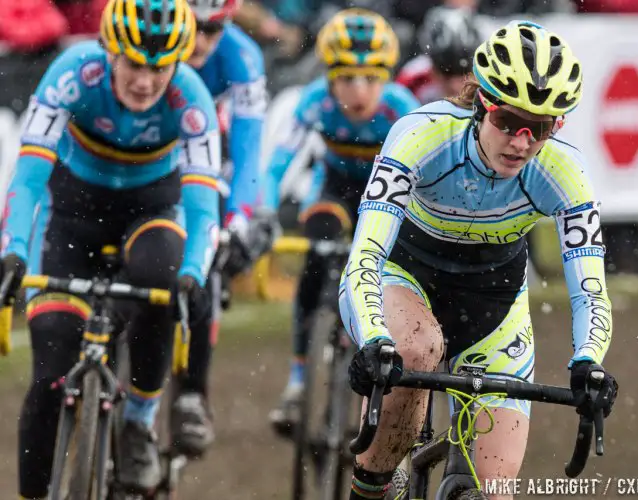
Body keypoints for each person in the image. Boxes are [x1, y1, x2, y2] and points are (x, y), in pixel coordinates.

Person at [339, 20, 619, 500]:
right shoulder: (420, 136)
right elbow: (366, 253)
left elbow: (590, 289)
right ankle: (378, 483)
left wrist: (589, 362)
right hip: (405, 277)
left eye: (542, 129)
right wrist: (374, 338)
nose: (521, 142)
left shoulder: (565, 173)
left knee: (493, 491)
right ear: (481, 105)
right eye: (508, 122)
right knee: (414, 350)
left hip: (493, 304)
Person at [0, 0, 221, 496]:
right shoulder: (72, 74)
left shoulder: (191, 98)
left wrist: (193, 273)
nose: (146, 81)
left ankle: (138, 423)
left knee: (164, 282)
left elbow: (204, 206)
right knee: (50, 375)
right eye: (134, 64)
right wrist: (11, 248)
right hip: (70, 219)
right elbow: (29, 175)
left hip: (151, 216)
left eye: (160, 67)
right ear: (109, 52)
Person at [265, 8, 420, 434]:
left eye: (371, 78)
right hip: (333, 193)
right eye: (347, 78)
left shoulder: (402, 107)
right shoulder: (313, 100)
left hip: (383, 199)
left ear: (386, 77)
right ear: (328, 76)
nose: (358, 90)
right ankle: (297, 382)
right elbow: (278, 164)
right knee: (317, 254)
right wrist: (262, 209)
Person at [170, 0, 275, 458]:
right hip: (154, 147)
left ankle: (193, 391)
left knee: (211, 248)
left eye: (213, 31)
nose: (201, 42)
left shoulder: (242, 57)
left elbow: (250, 149)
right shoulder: (156, 38)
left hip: (211, 156)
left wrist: (236, 219)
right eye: (193, 28)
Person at [396, 6, 482, 104]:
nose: (455, 85)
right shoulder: (412, 79)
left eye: (464, 73)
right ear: (431, 64)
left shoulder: (487, 77)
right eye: (446, 73)